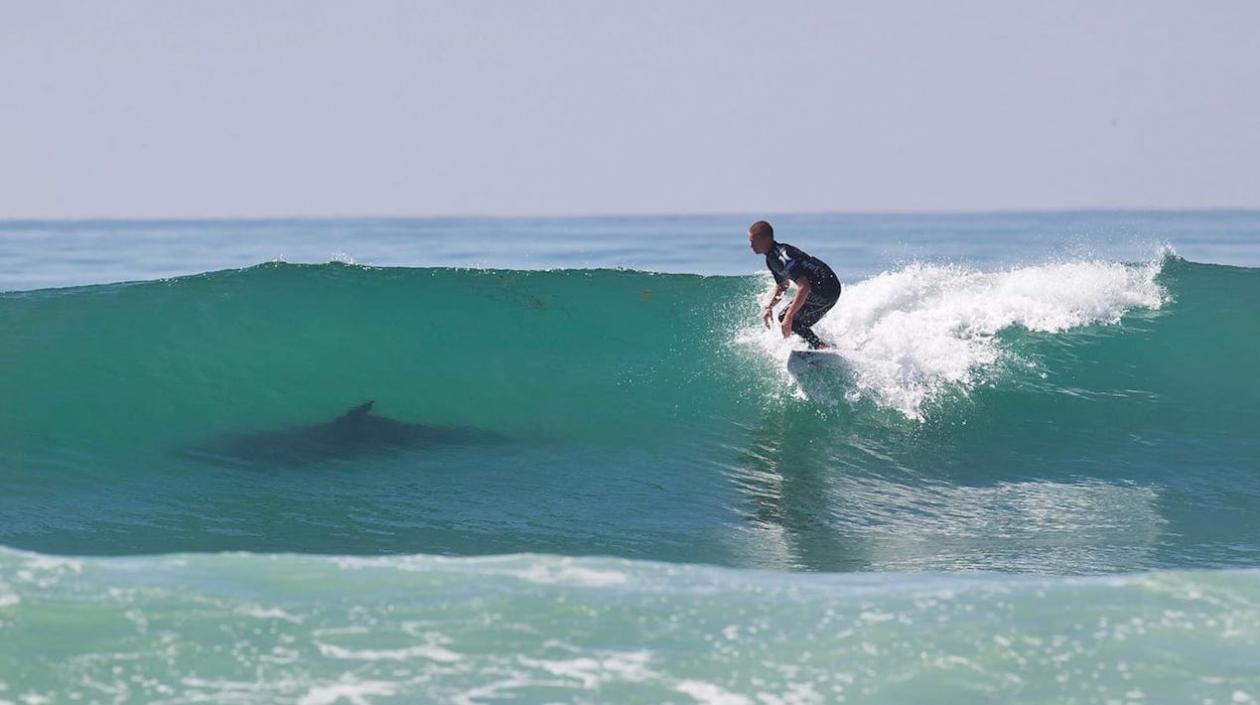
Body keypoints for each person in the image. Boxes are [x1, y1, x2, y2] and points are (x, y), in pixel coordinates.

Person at [747, 220, 841, 349]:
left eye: (753, 242)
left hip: (825, 287)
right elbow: (782, 286)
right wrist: (769, 307)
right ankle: (824, 347)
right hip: (828, 288)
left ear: (766, 239)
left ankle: (820, 346)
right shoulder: (771, 259)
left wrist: (789, 316)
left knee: (788, 318)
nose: (751, 246)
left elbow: (804, 286)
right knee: (795, 323)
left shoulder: (782, 257)